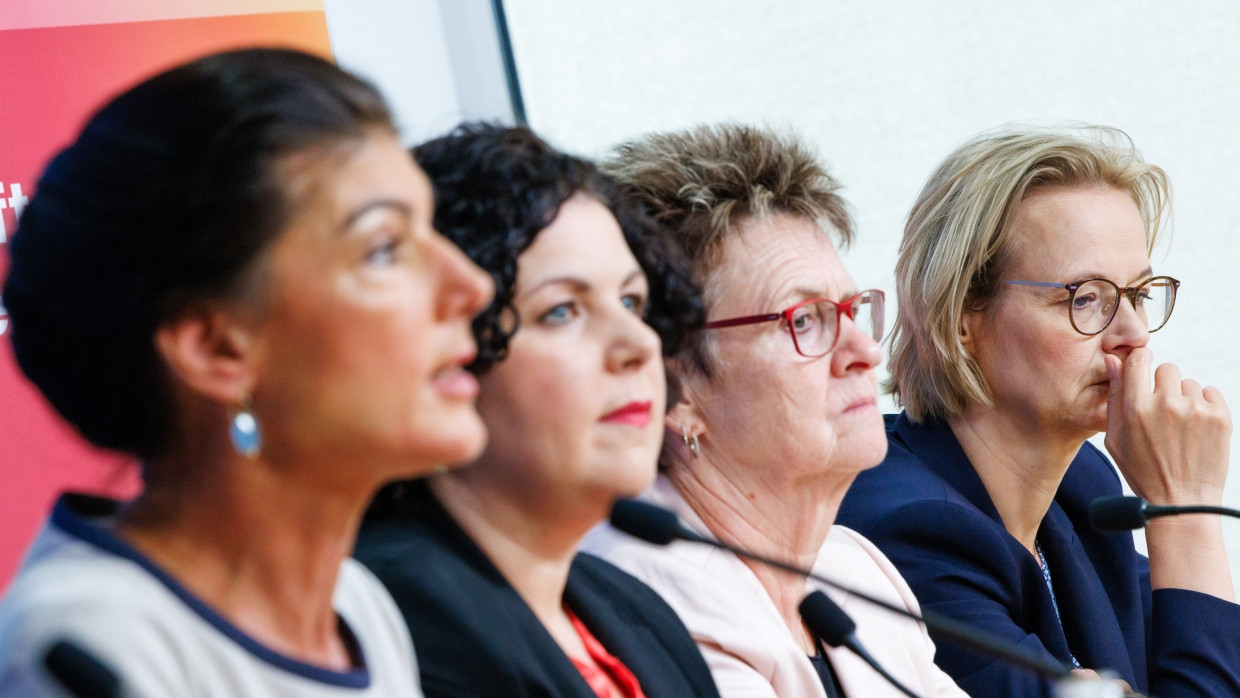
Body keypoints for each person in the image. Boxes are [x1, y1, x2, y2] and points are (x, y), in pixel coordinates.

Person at [0, 48, 493, 696]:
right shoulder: (86, 651)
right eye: (384, 249)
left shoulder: (358, 608)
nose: (472, 286)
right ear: (217, 350)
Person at [837, 125, 1240, 697]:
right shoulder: (912, 534)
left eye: (1140, 295)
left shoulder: (1082, 486)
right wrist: (1184, 514)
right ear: (959, 317)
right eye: (1085, 298)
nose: (1133, 335)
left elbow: (1203, 651)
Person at [582, 123, 966, 697]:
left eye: (852, 309)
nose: (863, 352)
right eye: (805, 319)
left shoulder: (855, 569)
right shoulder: (640, 604)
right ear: (674, 386)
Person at [354, 123, 719, 698]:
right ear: (447, 351)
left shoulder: (637, 611)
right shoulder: (395, 619)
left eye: (632, 301)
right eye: (562, 312)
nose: (640, 344)